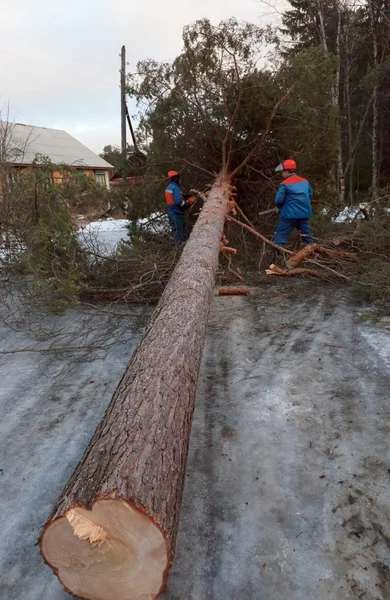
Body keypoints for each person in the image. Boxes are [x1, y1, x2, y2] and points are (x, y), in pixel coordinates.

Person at [271, 159, 314, 262]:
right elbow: (310, 194)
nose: (282, 174)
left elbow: (278, 200)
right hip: (304, 215)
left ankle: (274, 262)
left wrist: (282, 206)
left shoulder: (284, 184)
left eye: (282, 172)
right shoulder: (305, 181)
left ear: (287, 171)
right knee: (308, 239)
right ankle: (314, 259)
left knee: (279, 239)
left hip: (289, 216)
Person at [165, 170, 195, 247]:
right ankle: (181, 247)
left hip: (172, 212)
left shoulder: (169, 187)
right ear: (176, 178)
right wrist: (187, 203)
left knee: (177, 231)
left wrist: (185, 196)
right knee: (180, 231)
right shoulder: (176, 187)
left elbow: (175, 198)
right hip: (176, 213)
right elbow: (178, 201)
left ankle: (181, 246)